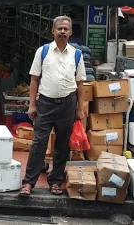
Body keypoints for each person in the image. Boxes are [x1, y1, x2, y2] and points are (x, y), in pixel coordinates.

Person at [19, 16, 87, 197]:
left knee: (62, 146)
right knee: (38, 143)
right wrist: (32, 104)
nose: (63, 32)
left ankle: (56, 182)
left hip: (67, 104)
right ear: (53, 31)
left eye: (66, 29)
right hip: (46, 104)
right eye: (60, 29)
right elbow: (34, 79)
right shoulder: (43, 51)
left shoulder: (77, 54)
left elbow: (80, 84)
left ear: (71, 32)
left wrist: (80, 108)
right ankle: (28, 183)